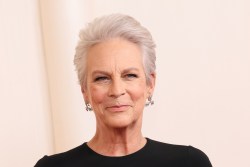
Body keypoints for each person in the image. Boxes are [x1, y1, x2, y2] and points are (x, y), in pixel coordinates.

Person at [35, 14, 212, 167]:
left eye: (130, 75)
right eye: (102, 78)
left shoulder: (189, 163)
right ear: (85, 91)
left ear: (150, 84)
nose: (117, 90)